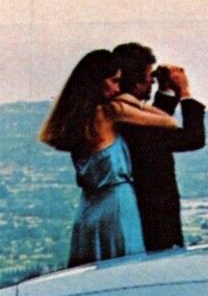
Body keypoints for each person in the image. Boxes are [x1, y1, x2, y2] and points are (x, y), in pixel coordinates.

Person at [38, 49, 180, 267]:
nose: (116, 88)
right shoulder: (111, 111)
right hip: (117, 202)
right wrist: (133, 102)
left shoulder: (76, 117)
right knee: (127, 269)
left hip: (88, 208)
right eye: (114, 81)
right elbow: (169, 122)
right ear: (97, 82)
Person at [111, 42, 207, 252]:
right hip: (156, 212)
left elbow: (151, 120)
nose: (151, 81)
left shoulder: (122, 114)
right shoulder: (134, 126)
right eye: (148, 77)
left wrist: (165, 90)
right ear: (136, 83)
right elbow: (193, 138)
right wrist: (184, 92)